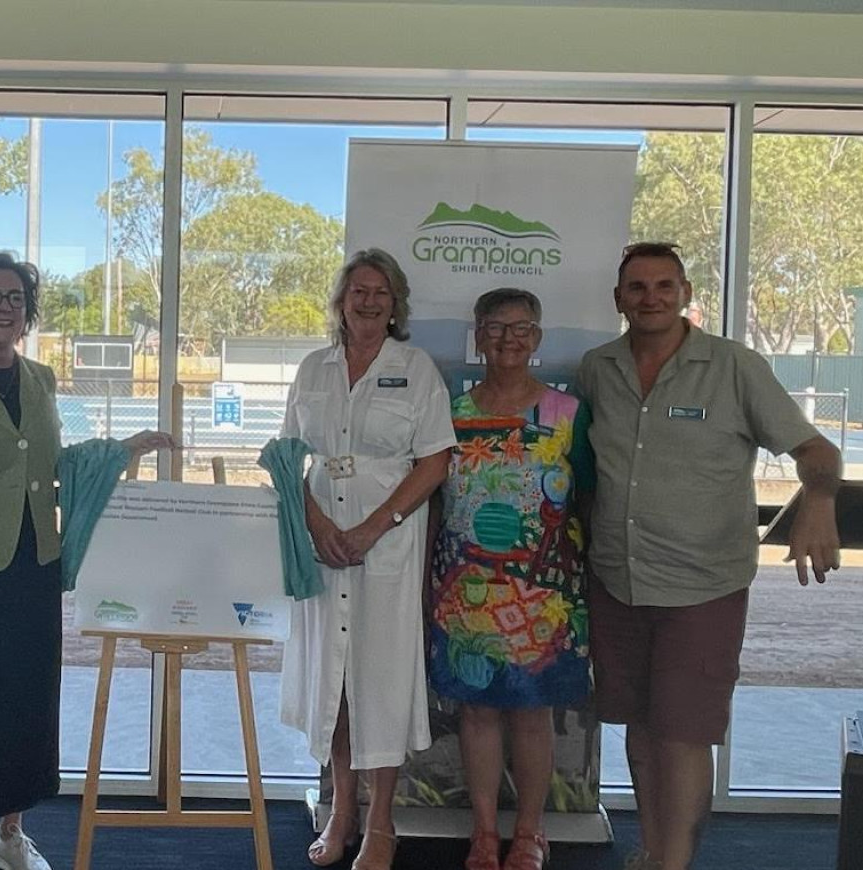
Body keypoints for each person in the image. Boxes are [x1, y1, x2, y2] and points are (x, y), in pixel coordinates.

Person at [578, 242, 841, 870]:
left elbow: (817, 452)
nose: (651, 298)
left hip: (703, 586)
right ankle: (652, 850)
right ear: (618, 299)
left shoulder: (734, 366)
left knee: (684, 734)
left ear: (686, 294)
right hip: (616, 579)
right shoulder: (596, 368)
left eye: (664, 286)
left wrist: (818, 504)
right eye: (637, 287)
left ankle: (673, 863)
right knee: (639, 729)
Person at [0, 252, 173, 870]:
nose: (5, 308)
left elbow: (53, 466)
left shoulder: (42, 379)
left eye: (16, 298)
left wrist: (120, 449)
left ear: (28, 312)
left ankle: (10, 833)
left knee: (28, 700)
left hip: (35, 565)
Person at [279, 248, 456, 870]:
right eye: (358, 290)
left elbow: (434, 461)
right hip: (325, 551)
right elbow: (286, 459)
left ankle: (382, 824)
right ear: (341, 299)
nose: (369, 300)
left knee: (381, 684)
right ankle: (341, 812)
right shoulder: (313, 369)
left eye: (380, 291)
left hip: (388, 550)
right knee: (337, 686)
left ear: (395, 303)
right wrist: (319, 524)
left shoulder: (416, 369)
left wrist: (376, 526)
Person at [427, 288, 593, 870]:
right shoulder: (451, 411)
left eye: (521, 328)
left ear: (538, 338)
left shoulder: (567, 413)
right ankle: (481, 832)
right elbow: (431, 500)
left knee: (532, 712)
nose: (508, 339)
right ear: (478, 336)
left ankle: (529, 832)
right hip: (464, 586)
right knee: (476, 710)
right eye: (496, 328)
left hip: (545, 592)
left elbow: (589, 499)